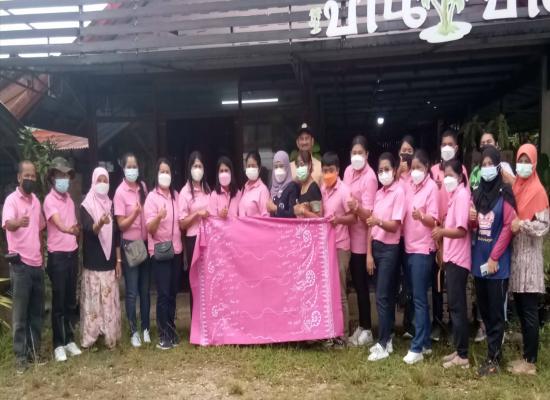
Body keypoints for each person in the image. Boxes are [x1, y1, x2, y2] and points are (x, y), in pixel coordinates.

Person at [469, 147, 516, 376]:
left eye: (491, 164)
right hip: (480, 261)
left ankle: (494, 359)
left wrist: (494, 256)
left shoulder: (505, 193)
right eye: (483, 164)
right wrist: (471, 220)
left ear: (498, 166)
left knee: (496, 312)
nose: (487, 168)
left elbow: (508, 227)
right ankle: (492, 351)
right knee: (485, 310)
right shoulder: (477, 194)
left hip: (497, 264)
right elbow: (475, 227)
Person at [508, 144, 549, 375]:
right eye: (520, 160)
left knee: (530, 311)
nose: (523, 165)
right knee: (521, 310)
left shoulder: (538, 191)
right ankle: (525, 356)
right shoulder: (517, 187)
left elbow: (544, 226)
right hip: (517, 259)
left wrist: (522, 224)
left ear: (533, 164)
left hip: (530, 260)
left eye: (527, 161)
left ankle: (531, 361)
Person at [2, 161, 46, 373]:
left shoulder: (36, 201)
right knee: (20, 314)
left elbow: (40, 229)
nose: (30, 179)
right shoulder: (11, 200)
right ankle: (20, 358)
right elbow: (7, 224)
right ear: (19, 177)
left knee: (36, 313)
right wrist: (18, 222)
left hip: (37, 264)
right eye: (26, 175)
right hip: (20, 265)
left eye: (33, 176)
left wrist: (42, 255)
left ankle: (34, 353)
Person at [431, 159, 471, 369]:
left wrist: (441, 232)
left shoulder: (462, 195)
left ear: (460, 176)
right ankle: (459, 349)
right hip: (452, 257)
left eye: (450, 175)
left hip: (459, 259)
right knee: (454, 305)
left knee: (457, 307)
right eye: (444, 175)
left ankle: (463, 355)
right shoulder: (454, 196)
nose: (446, 179)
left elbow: (461, 230)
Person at [429, 129, 469, 341]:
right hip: (440, 234)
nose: (446, 148)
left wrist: (444, 231)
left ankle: (457, 333)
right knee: (441, 286)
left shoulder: (461, 185)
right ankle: (439, 323)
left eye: (449, 144)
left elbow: (462, 224)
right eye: (443, 144)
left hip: (454, 239)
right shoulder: (434, 172)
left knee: (456, 294)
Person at [366, 153, 405, 362]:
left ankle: (382, 343)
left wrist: (379, 222)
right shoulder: (379, 193)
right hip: (376, 247)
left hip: (390, 249)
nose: (383, 173)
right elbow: (370, 226)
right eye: (380, 170)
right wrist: (368, 253)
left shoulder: (398, 192)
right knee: (385, 296)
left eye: (387, 169)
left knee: (382, 296)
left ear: (394, 170)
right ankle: (387, 338)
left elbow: (395, 226)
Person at [401, 150, 439, 365]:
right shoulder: (409, 186)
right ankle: (425, 343)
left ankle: (417, 347)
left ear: (427, 168)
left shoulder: (431, 188)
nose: (415, 171)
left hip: (423, 249)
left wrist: (421, 216)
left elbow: (434, 220)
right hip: (409, 247)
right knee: (417, 296)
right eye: (413, 168)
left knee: (419, 298)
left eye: (419, 167)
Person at [43, 157, 82, 362]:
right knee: (58, 301)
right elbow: (58, 223)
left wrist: (74, 231)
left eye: (66, 175)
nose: (64, 179)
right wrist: (69, 230)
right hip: (57, 256)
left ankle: (69, 340)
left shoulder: (70, 201)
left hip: (71, 253)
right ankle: (58, 344)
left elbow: (74, 225)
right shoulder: (49, 200)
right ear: (52, 177)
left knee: (69, 300)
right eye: (60, 175)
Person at [80, 167, 122, 350]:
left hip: (109, 262)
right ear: (93, 181)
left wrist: (118, 261)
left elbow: (117, 236)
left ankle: (109, 337)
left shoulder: (111, 205)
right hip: (93, 262)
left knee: (108, 302)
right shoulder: (86, 205)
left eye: (105, 180)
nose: (103, 184)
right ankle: (92, 338)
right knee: (94, 303)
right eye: (99, 180)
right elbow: (90, 229)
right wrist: (100, 223)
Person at [144, 158, 183, 350]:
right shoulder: (151, 198)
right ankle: (163, 334)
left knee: (173, 292)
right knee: (163, 294)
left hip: (176, 250)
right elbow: (150, 229)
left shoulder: (176, 195)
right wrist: (159, 217)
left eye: (167, 172)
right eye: (162, 171)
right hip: (160, 251)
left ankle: (171, 329)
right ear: (157, 174)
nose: (165, 175)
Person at [114, 153, 151, 348]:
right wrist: (135, 213)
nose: (132, 169)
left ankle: (145, 328)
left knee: (145, 290)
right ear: (123, 168)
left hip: (144, 243)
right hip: (130, 245)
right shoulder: (120, 192)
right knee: (132, 291)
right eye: (128, 166)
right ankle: (133, 331)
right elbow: (121, 225)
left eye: (134, 166)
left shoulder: (143, 187)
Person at [344, 135, 377, 346]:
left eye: (360, 153)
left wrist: (357, 208)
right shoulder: (348, 171)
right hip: (348, 236)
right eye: (354, 153)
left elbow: (370, 216)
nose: (357, 156)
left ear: (367, 154)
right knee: (356, 284)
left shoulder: (370, 177)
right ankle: (362, 326)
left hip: (362, 240)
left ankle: (367, 329)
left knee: (362, 286)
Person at [320, 152, 356, 347]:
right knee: (329, 291)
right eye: (325, 170)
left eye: (331, 170)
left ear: (338, 170)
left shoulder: (344, 191)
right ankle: (330, 332)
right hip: (327, 246)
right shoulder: (323, 189)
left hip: (341, 246)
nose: (328, 174)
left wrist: (339, 220)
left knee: (340, 291)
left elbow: (353, 218)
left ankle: (343, 335)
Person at [178, 151, 210, 316]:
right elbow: (182, 223)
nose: (197, 169)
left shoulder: (207, 189)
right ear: (190, 168)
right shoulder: (185, 192)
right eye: (195, 166)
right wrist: (197, 214)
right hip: (193, 240)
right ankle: (196, 322)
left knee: (208, 280)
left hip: (209, 240)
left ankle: (208, 320)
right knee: (195, 281)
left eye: (200, 166)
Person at [396, 135, 415, 339]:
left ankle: (410, 324)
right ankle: (392, 324)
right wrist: (397, 173)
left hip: (411, 236)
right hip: (395, 236)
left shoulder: (416, 175)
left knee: (410, 280)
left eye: (410, 151)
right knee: (394, 278)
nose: (406, 154)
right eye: (404, 151)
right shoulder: (394, 175)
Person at [267, 151, 299, 218]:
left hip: (287, 224)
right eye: (276, 167)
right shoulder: (273, 188)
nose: (278, 170)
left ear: (287, 167)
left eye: (281, 166)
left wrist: (276, 208)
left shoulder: (292, 187)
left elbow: (292, 214)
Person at [238, 151, 270, 217]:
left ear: (259, 168)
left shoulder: (263, 190)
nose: (251, 169)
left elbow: (266, 217)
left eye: (253, 166)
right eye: (248, 166)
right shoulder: (244, 189)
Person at [294, 150, 323, 218]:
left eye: (302, 165)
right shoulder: (302, 186)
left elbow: (319, 217)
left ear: (309, 165)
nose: (299, 168)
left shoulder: (313, 188)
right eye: (298, 166)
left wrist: (303, 211)